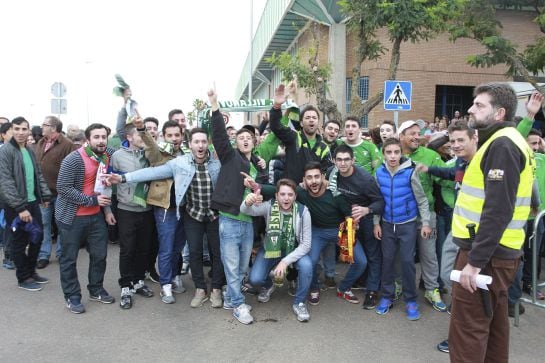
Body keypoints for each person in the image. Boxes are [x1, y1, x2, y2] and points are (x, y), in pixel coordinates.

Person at [448, 83, 535, 362]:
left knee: (467, 332)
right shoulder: (506, 142)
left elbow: (498, 209)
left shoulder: (503, 145)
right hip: (498, 254)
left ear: (499, 113)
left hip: (485, 256)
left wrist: (474, 262)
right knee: (494, 328)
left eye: (479, 105)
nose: (471, 108)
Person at [107, 126, 224, 309]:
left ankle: (216, 289)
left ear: (207, 143)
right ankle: (197, 289)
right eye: (196, 142)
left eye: (203, 141)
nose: (200, 145)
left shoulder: (217, 164)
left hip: (212, 216)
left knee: (215, 253)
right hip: (188, 214)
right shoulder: (180, 163)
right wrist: (123, 178)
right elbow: (152, 172)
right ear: (190, 144)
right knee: (190, 252)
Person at [209, 86, 263, 325]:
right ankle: (239, 305)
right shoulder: (230, 157)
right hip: (229, 220)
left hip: (248, 222)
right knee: (232, 267)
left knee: (242, 267)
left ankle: (232, 299)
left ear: (255, 142)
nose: (244, 140)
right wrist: (214, 105)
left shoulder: (259, 167)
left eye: (249, 138)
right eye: (241, 137)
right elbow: (219, 135)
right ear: (236, 142)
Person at [56, 123, 116, 314]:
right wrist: (92, 200)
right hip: (71, 217)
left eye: (103, 137)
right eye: (96, 137)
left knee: (100, 255)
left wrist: (107, 211)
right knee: (69, 259)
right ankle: (72, 296)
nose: (101, 141)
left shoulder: (106, 155)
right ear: (87, 140)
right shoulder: (73, 159)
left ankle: (96, 289)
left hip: (95, 216)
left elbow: (102, 187)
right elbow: (63, 189)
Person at [373, 138, 431, 321]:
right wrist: (376, 223)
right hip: (387, 225)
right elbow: (376, 200)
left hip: (407, 224)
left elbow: (421, 199)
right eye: (388, 152)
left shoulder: (410, 171)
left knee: (407, 262)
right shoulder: (379, 172)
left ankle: (411, 300)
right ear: (383, 154)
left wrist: (426, 223)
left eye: (396, 152)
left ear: (401, 153)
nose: (392, 156)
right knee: (388, 261)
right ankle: (387, 296)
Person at [242, 178, 313, 322]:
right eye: (282, 194)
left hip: (294, 249)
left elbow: (306, 245)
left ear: (295, 196)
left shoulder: (303, 211)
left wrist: (285, 262)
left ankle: (299, 302)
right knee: (255, 279)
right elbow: (245, 210)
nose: (286, 198)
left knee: (307, 266)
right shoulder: (269, 206)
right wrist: (247, 201)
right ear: (276, 196)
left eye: (290, 195)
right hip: (270, 248)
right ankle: (268, 285)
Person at [398, 120, 448, 312]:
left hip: (426, 215)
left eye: (418, 133)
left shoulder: (430, 155)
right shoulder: (393, 153)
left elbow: (444, 178)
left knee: (429, 254)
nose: (416, 136)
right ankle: (397, 285)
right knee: (401, 255)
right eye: (411, 133)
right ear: (401, 136)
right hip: (401, 216)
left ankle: (431, 289)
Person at [327, 144, 384, 305]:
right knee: (353, 255)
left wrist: (366, 210)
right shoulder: (332, 173)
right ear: (334, 161)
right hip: (346, 219)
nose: (343, 163)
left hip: (365, 218)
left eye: (346, 160)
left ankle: (372, 291)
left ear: (353, 160)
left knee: (372, 255)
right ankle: (355, 282)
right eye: (339, 160)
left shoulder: (365, 179)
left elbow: (380, 202)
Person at [0, 117, 51, 291]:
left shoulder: (29, 150)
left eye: (24, 129)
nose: (21, 132)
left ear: (29, 130)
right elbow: (5, 182)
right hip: (16, 206)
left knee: (37, 237)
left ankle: (31, 271)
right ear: (11, 130)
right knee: (19, 242)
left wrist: (45, 196)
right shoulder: (5, 151)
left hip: (33, 202)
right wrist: (20, 208)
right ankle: (23, 278)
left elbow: (38, 174)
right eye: (17, 129)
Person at [111, 123, 155, 309]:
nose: (143, 137)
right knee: (127, 249)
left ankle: (138, 281)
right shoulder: (117, 156)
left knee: (143, 248)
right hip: (126, 209)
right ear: (129, 137)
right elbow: (110, 183)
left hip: (147, 209)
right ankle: (126, 286)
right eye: (139, 134)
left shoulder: (149, 154)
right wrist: (109, 211)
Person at [35, 116, 77, 269]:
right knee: (44, 224)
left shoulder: (68, 145)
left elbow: (74, 169)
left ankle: (61, 253)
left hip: (62, 194)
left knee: (62, 225)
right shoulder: (40, 142)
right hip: (44, 194)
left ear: (53, 128)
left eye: (44, 124)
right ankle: (44, 255)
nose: (42, 126)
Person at [269, 84, 329, 184]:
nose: (311, 120)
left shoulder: (324, 148)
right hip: (290, 193)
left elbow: (324, 173)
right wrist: (277, 106)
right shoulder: (293, 137)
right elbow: (276, 126)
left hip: (311, 194)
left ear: (318, 122)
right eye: (307, 118)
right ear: (301, 123)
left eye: (314, 118)